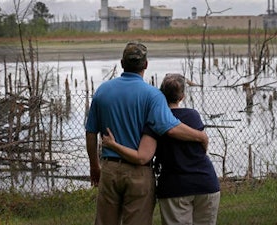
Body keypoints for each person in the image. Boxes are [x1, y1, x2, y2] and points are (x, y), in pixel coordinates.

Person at [85, 42, 208, 225]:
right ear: (146, 64)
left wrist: (95, 166)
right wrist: (200, 136)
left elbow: (91, 132)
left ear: (122, 63)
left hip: (110, 169)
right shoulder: (153, 95)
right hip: (139, 172)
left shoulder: (103, 91)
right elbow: (171, 128)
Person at [102, 73, 220, 225]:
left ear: (160, 94)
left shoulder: (154, 121)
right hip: (206, 183)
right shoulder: (193, 116)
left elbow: (142, 157)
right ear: (182, 96)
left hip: (175, 187)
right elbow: (203, 145)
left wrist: (114, 145)